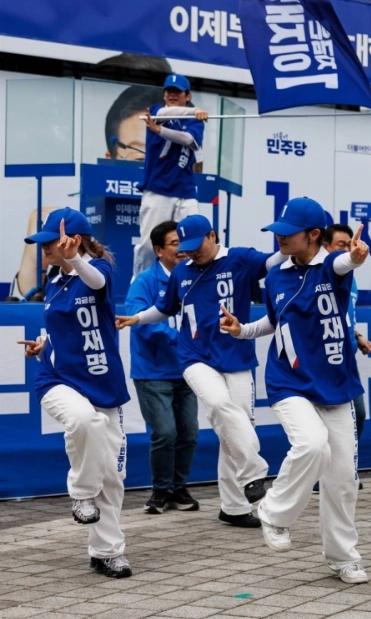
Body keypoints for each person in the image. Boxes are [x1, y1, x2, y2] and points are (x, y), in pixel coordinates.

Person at [220, 198, 371, 584]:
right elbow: (272, 321)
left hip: (336, 384)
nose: (281, 238)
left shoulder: (332, 267)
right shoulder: (275, 276)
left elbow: (344, 263)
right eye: (279, 233)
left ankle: (343, 557)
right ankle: (274, 513)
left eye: (288, 233)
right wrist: (242, 330)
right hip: (289, 382)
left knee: (342, 480)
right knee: (311, 444)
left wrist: (355, 257)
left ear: (314, 235)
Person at [117, 214, 282, 528]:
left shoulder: (241, 258)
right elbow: (165, 308)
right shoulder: (182, 271)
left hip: (237, 357)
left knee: (234, 428)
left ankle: (233, 508)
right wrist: (136, 319)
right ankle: (254, 473)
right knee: (221, 406)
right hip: (195, 358)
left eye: (195, 246)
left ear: (212, 235)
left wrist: (292, 243)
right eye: (185, 248)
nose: (191, 253)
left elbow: (275, 261)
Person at [18, 209, 132, 578]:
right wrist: (42, 343)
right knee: (84, 420)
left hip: (103, 385)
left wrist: (75, 258)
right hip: (57, 380)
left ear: (74, 241)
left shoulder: (98, 269)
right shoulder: (53, 281)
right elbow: (60, 329)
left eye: (48, 242)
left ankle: (106, 552)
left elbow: (96, 283)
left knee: (113, 477)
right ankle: (81, 493)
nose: (43, 249)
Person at [125, 220, 200, 514]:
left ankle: (179, 489)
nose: (182, 249)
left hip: (188, 370)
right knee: (165, 433)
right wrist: (181, 339)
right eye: (174, 244)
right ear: (158, 250)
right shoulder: (144, 281)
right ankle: (159, 490)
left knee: (189, 433)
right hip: (153, 372)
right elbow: (137, 320)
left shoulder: (194, 277)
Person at [133, 74, 209, 276]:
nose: (172, 95)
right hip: (158, 190)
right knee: (150, 246)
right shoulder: (157, 112)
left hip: (185, 190)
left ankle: (198, 282)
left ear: (187, 95)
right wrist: (193, 111)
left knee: (198, 239)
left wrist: (160, 130)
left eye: (177, 92)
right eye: (169, 91)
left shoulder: (196, 122)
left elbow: (188, 139)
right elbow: (166, 115)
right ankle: (139, 286)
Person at [322, 223, 371, 480]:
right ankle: (327, 475)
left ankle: (342, 470)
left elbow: (345, 317)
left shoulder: (350, 280)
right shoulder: (321, 276)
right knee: (323, 427)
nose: (347, 249)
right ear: (325, 247)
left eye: (349, 244)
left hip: (348, 362)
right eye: (341, 245)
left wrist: (358, 337)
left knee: (359, 415)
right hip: (325, 363)